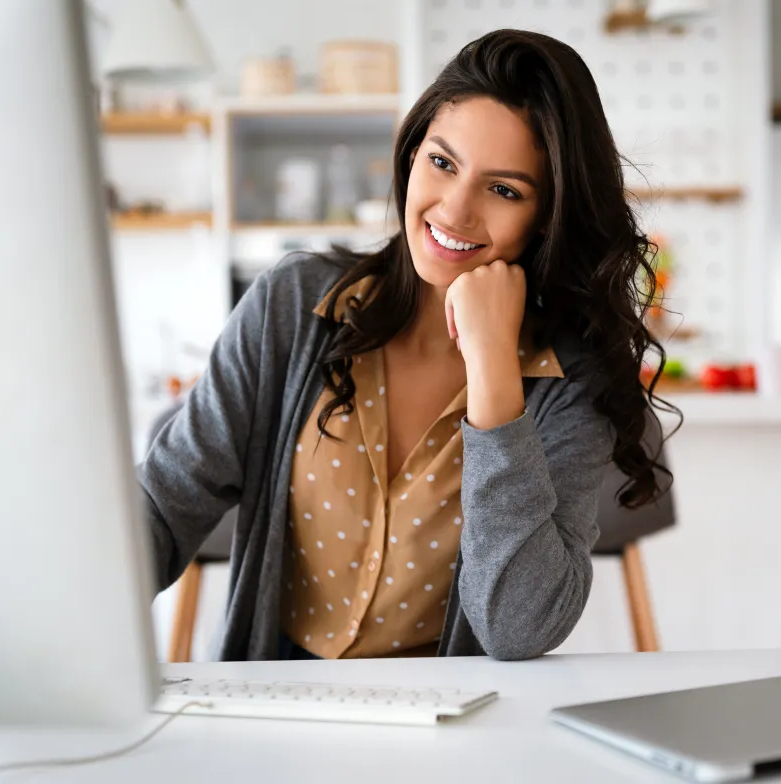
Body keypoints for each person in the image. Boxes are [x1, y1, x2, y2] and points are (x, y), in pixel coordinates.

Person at [139, 28, 673, 663]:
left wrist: (494, 370)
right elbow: (165, 506)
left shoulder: (572, 381)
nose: (454, 209)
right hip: (281, 708)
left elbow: (520, 627)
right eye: (443, 163)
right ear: (413, 153)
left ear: (547, 216)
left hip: (454, 736)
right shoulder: (291, 304)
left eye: (504, 190)